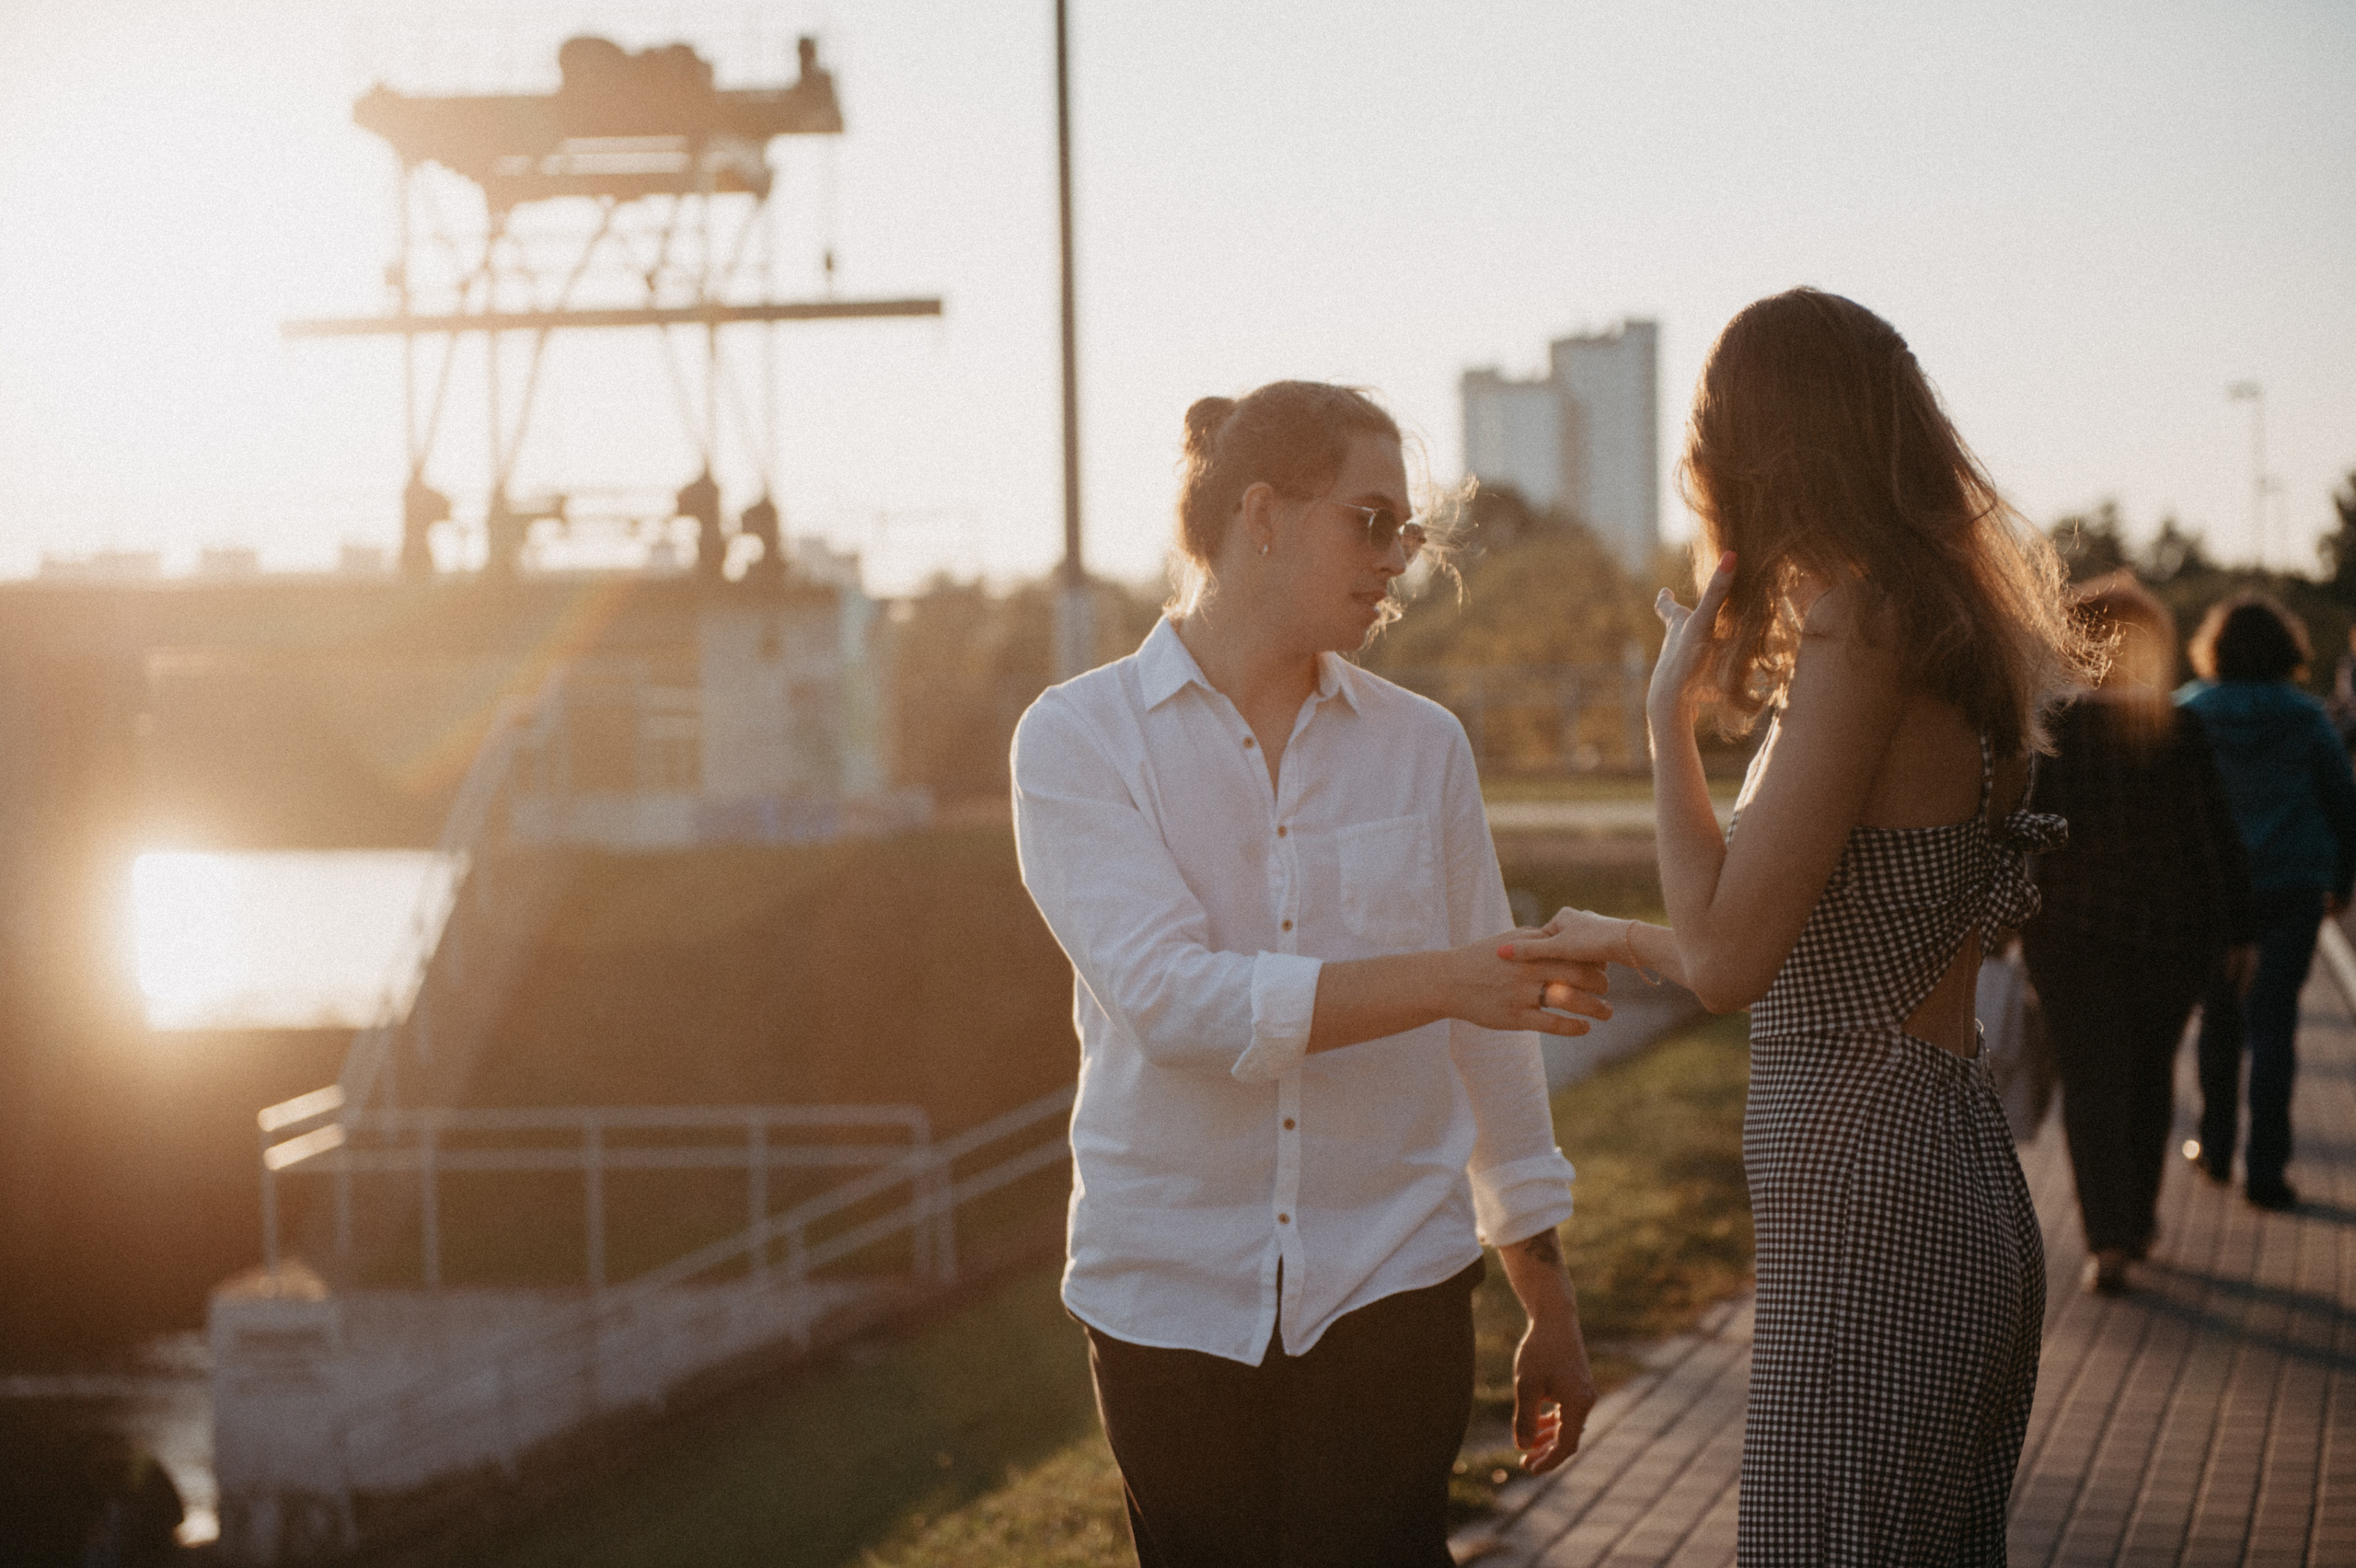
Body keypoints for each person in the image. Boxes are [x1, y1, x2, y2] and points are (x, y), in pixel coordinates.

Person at [1509, 288, 2099, 1564]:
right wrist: (1616, 936)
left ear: (1751, 450)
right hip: (1945, 1159)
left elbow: (1728, 962)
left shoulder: (1862, 624)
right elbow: (1820, 951)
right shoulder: (1951, 626)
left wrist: (1664, 721)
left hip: (1869, 1193)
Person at [1011, 380, 1612, 1567]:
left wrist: (1546, 1296)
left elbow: (1491, 1037)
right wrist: (1443, 979)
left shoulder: (1421, 747)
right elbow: (1179, 1006)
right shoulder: (1076, 740)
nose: (1398, 559)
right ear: (1263, 514)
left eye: (1409, 531)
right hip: (1166, 1306)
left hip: (1394, 1283)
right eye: (1371, 521)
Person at [2020, 572, 2254, 1294]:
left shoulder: (2052, 728)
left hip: (2068, 937)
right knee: (2150, 1075)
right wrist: (2238, 929)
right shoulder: (2177, 726)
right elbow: (2216, 836)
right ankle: (2140, 1216)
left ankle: (2107, 1239)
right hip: (2170, 933)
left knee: (2089, 1081)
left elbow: (2023, 834)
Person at [2180, 594, 2356, 1211]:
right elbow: (2343, 802)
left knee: (2217, 1017)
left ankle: (2216, 1145)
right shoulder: (2308, 719)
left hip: (2210, 892)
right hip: (2292, 886)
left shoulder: (2188, 713)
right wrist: (2343, 881)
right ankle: (2267, 1170)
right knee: (2275, 1024)